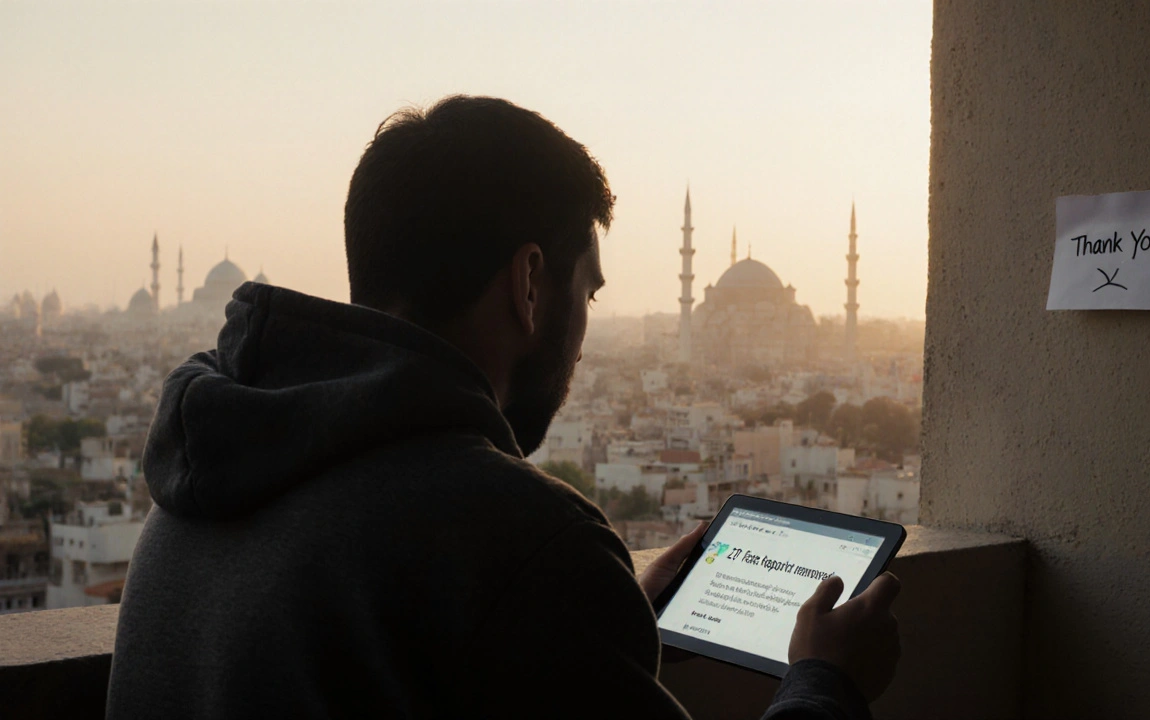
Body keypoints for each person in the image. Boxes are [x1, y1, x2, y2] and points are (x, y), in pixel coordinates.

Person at [106, 95, 901, 719]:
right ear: (529, 284)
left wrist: (609, 617)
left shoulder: (200, 478)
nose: (584, 337)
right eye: (585, 291)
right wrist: (824, 681)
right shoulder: (520, 540)